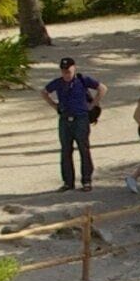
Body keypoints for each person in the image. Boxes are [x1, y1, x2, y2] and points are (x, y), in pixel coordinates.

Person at [40, 56, 103, 190]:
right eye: (64, 71)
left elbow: (102, 88)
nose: (66, 74)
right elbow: (44, 92)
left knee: (83, 149)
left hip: (81, 118)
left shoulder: (82, 80)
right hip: (65, 119)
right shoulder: (58, 82)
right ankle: (68, 182)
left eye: (68, 71)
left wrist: (92, 105)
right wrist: (54, 106)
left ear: (74, 68)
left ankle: (86, 180)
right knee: (65, 151)